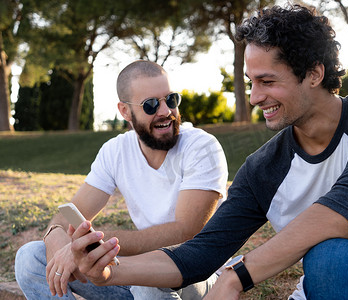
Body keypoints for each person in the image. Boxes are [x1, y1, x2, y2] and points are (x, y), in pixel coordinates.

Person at [69, 4, 348, 300]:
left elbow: (347, 209)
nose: (255, 97)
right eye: (252, 83)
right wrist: (110, 272)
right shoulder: (264, 168)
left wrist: (239, 275)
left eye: (268, 81)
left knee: (330, 255)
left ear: (314, 74)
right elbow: (199, 255)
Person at [14, 60, 228, 299]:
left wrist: (94, 243)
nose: (165, 111)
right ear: (125, 111)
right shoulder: (115, 151)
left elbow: (185, 232)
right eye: (150, 105)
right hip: (134, 277)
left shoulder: (202, 147)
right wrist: (57, 237)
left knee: (147, 282)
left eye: (170, 99)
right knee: (30, 257)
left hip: (195, 274)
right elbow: (68, 215)